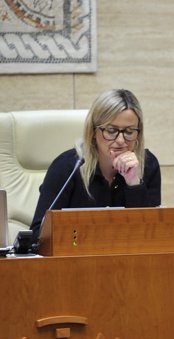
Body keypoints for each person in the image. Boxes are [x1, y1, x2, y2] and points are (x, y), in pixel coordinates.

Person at [30, 89, 161, 242]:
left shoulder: (148, 165)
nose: (120, 140)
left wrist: (134, 184)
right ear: (93, 131)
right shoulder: (67, 167)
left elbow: (151, 235)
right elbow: (38, 235)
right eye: (111, 131)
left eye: (129, 131)